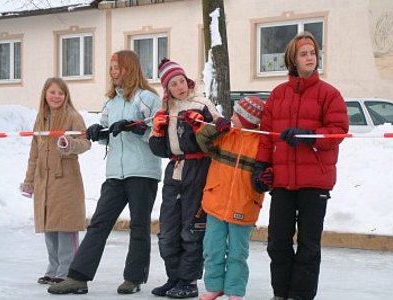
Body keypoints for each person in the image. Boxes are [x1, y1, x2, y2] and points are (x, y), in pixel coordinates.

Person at [48, 50, 162, 295]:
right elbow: (109, 133)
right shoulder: (111, 101)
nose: (113, 72)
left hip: (142, 172)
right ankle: (78, 277)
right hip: (115, 174)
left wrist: (137, 129)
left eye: (117, 67)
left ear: (129, 68)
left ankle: (134, 278)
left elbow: (158, 134)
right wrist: (98, 132)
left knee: (139, 226)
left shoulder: (148, 99)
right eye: (111, 68)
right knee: (99, 223)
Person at [252, 31, 349, 300]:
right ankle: (280, 293)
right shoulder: (278, 95)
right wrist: (261, 166)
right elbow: (266, 135)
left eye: (313, 53)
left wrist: (308, 136)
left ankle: (301, 295)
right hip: (283, 181)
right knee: (278, 242)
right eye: (304, 54)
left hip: (314, 181)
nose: (310, 58)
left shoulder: (329, 94)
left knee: (308, 245)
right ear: (292, 60)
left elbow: (338, 130)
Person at [149, 58, 220, 298]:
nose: (179, 87)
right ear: (167, 89)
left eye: (181, 81)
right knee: (168, 230)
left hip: (198, 169)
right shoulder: (164, 112)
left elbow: (221, 134)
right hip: (174, 171)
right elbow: (159, 150)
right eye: (173, 84)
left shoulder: (202, 104)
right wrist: (157, 132)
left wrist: (204, 127)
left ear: (188, 81)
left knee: (191, 228)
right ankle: (174, 277)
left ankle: (188, 281)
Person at [194, 96, 271, 300]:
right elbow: (202, 140)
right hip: (215, 202)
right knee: (212, 248)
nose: (232, 117)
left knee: (237, 253)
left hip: (244, 206)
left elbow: (268, 174)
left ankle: (235, 291)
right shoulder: (226, 134)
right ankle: (214, 286)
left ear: (247, 119)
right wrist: (214, 128)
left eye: (237, 114)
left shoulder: (261, 144)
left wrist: (266, 179)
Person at [20, 77, 91, 285]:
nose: (56, 96)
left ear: (66, 95)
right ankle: (53, 268)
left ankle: (67, 270)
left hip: (66, 180)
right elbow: (34, 153)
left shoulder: (73, 116)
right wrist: (29, 180)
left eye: (60, 93)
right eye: (52, 92)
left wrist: (70, 144)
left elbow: (85, 142)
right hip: (45, 180)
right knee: (50, 227)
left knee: (65, 227)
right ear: (45, 94)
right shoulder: (40, 118)